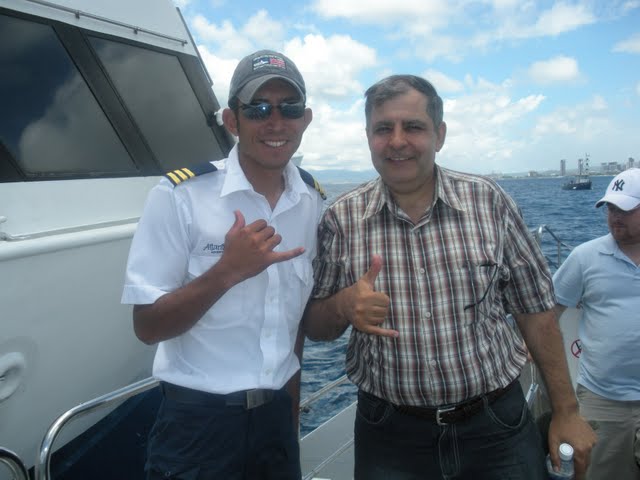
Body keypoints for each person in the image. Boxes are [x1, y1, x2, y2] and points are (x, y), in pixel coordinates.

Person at [303, 74, 595, 480]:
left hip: (496, 425)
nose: (398, 141)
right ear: (368, 137)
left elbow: (536, 312)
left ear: (439, 135)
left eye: (413, 126)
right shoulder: (340, 218)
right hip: (390, 434)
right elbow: (316, 327)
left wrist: (566, 411)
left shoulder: (489, 202)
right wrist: (343, 305)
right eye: (383, 129)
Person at [121, 49, 325, 479]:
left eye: (289, 108)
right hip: (197, 428)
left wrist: (289, 420)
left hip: (276, 423)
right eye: (258, 108)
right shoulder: (180, 196)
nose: (275, 122)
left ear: (305, 119)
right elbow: (147, 327)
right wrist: (226, 272)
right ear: (232, 121)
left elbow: (293, 326)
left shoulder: (311, 202)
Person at [553, 168, 640, 480]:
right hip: (603, 400)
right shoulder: (584, 257)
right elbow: (549, 310)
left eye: (625, 209)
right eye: (611, 208)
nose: (615, 216)